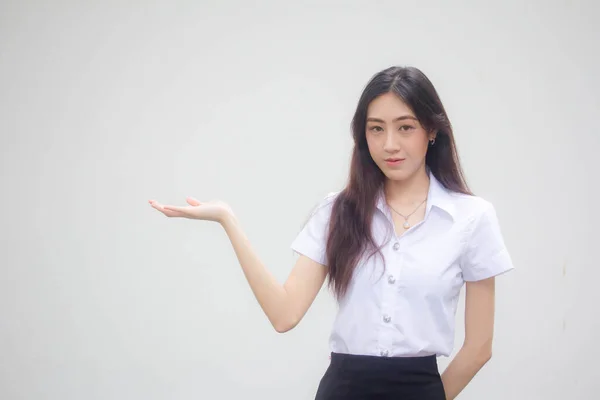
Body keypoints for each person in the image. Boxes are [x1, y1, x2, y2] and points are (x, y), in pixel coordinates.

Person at [149, 66, 515, 399]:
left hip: (419, 388)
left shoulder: (471, 218)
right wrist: (228, 220)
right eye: (376, 128)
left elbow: (479, 346)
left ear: (431, 131)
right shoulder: (337, 212)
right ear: (363, 134)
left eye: (405, 127)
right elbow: (284, 314)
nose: (389, 144)